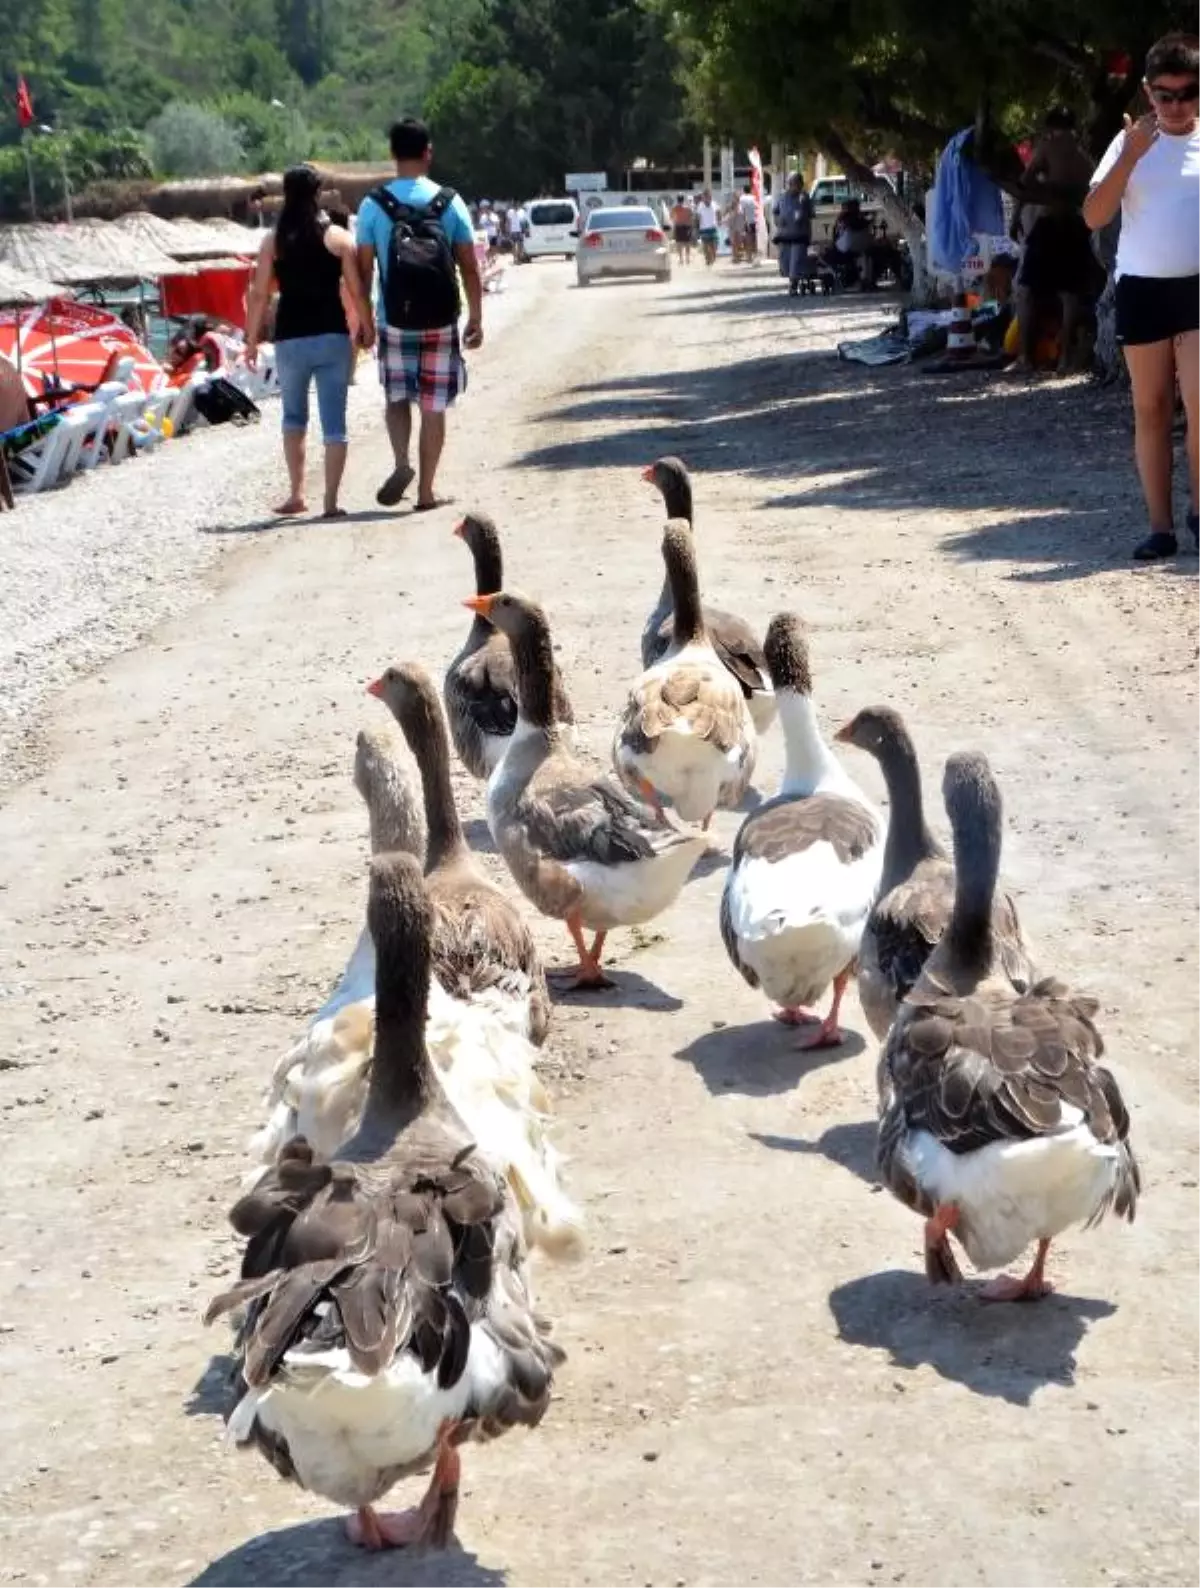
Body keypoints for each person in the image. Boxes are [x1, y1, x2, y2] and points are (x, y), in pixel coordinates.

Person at [1085, 32, 1200, 561]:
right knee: (1152, 408)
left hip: (1196, 288)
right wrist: (1129, 157)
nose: (1177, 106)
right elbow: (1094, 215)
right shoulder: (1127, 142)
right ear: (1148, 93)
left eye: (1189, 92)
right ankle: (1161, 526)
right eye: (1166, 94)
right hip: (1143, 289)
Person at [356, 117, 483, 513]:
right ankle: (426, 492)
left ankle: (401, 463)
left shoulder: (373, 205)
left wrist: (364, 322)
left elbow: (362, 272)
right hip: (441, 319)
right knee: (433, 405)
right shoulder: (450, 201)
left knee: (397, 397)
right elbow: (469, 265)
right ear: (428, 153)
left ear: (393, 155)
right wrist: (476, 316)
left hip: (394, 319)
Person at [245, 163, 374, 519]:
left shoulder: (274, 241)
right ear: (318, 194)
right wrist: (368, 325)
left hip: (290, 339)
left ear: (285, 195)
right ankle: (331, 502)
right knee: (335, 423)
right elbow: (356, 289)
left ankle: (297, 494)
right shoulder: (338, 238)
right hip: (332, 335)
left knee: (294, 418)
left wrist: (251, 339)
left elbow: (258, 295)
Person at [1012, 107, 1098, 374]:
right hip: (1078, 226)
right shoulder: (1085, 157)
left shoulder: (1048, 147)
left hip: (1050, 224)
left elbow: (1024, 183)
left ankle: (1025, 357)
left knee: (1026, 291)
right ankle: (1065, 358)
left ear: (1049, 127)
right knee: (1069, 294)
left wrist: (1016, 215)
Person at [772, 173, 814, 295]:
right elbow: (775, 213)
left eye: (799, 184)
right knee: (786, 263)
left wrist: (807, 230)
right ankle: (793, 280)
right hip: (784, 236)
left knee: (796, 261)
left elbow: (810, 216)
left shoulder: (805, 198)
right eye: (794, 184)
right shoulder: (781, 197)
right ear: (789, 185)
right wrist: (778, 220)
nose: (797, 187)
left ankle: (794, 284)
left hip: (799, 235)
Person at [695, 188, 720, 267]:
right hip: (704, 229)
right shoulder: (700, 206)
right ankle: (707, 260)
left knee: (714, 246)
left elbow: (719, 212)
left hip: (713, 228)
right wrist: (697, 228)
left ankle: (712, 258)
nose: (708, 199)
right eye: (706, 197)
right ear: (703, 197)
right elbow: (698, 217)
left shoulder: (714, 204)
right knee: (705, 246)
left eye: (709, 197)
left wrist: (719, 220)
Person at [670, 194, 694, 265]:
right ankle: (687, 258)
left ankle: (681, 259)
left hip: (679, 226)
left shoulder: (675, 208)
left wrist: (676, 220)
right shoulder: (688, 208)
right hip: (687, 226)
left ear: (677, 199)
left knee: (679, 243)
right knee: (687, 243)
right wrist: (691, 226)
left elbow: (671, 216)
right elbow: (691, 217)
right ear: (683, 200)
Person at [739, 184, 759, 262]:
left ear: (743, 190)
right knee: (753, 239)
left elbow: (742, 211)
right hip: (753, 221)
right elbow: (756, 208)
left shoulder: (742, 199)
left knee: (747, 240)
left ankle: (749, 257)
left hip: (746, 221)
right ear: (750, 190)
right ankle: (754, 256)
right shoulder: (753, 198)